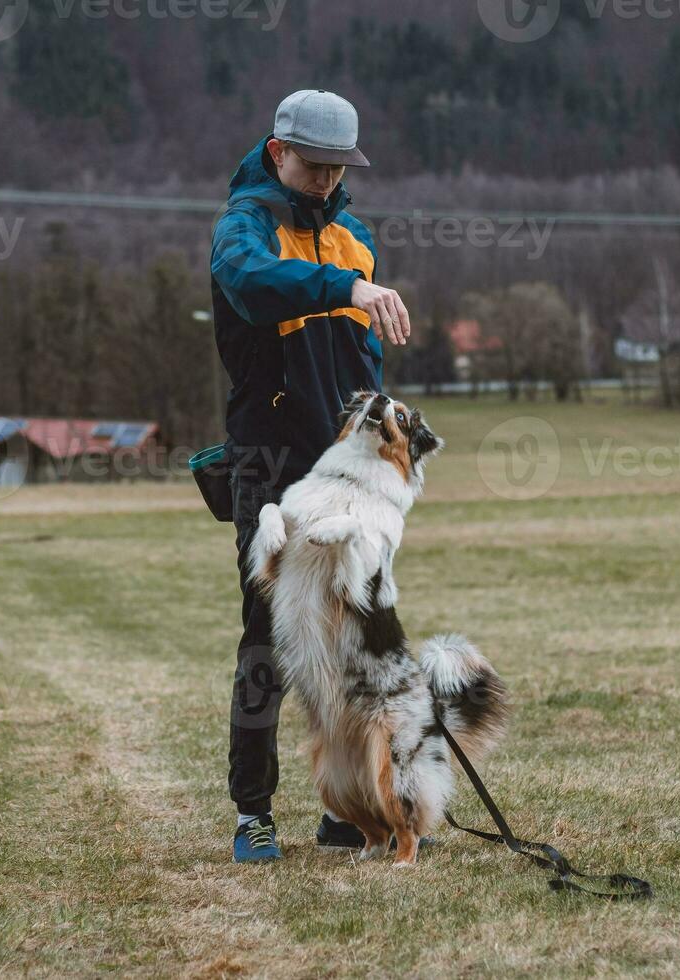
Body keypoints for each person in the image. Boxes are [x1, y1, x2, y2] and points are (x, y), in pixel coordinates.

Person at [210, 90, 411, 862]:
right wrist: (345, 288)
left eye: (337, 169)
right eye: (313, 165)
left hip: (346, 473)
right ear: (276, 151)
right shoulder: (244, 227)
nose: (326, 181)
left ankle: (349, 806)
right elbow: (255, 287)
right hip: (269, 465)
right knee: (269, 634)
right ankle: (254, 811)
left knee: (355, 635)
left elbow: (365, 361)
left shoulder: (354, 237)